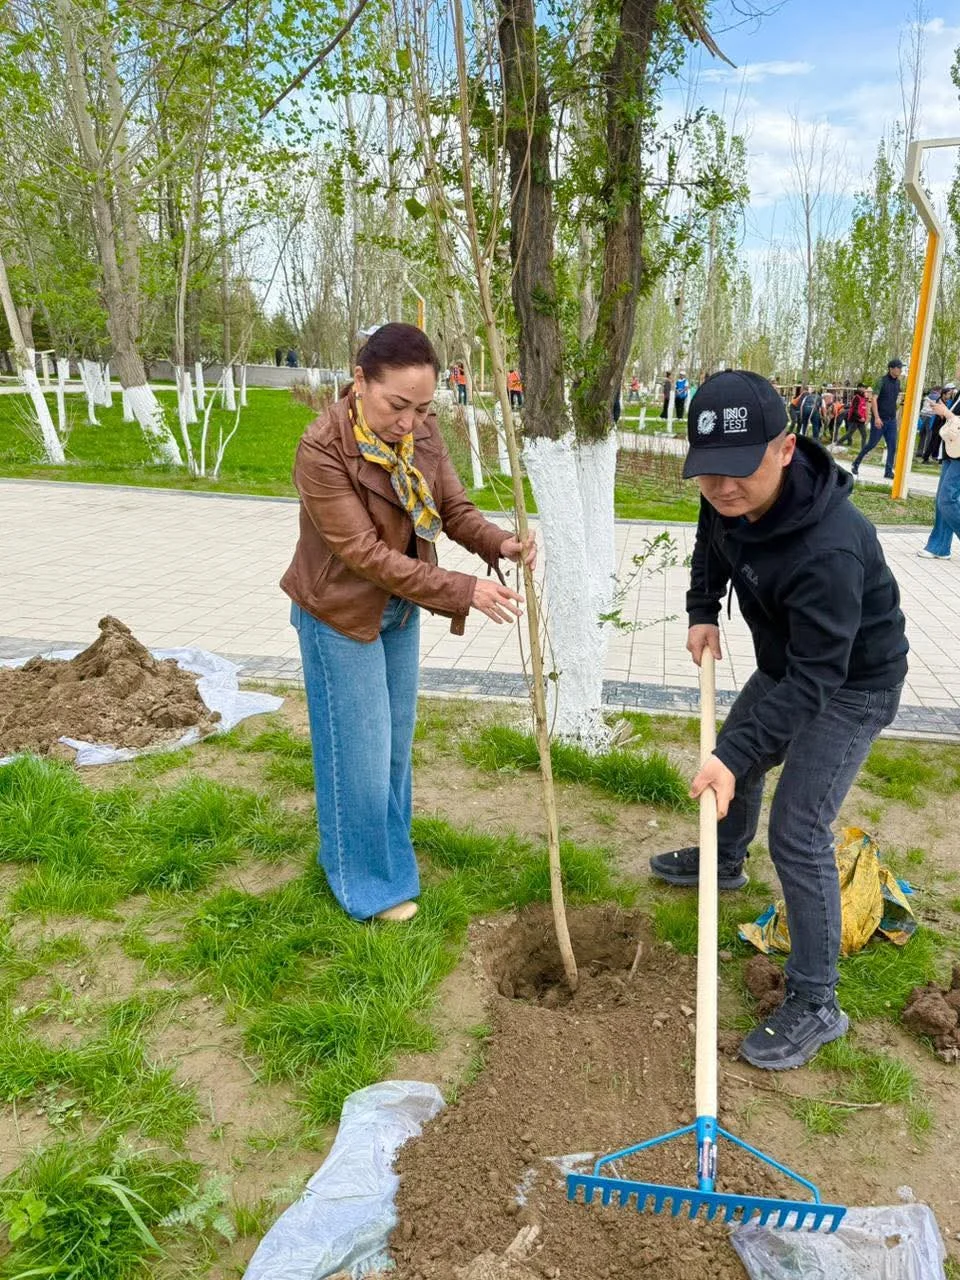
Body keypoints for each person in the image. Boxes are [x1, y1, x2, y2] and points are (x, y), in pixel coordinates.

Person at [650, 370, 908, 1070]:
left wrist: (735, 756)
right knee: (736, 746)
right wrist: (703, 609)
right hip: (789, 660)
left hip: (852, 683)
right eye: (707, 473)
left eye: (739, 471)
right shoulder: (724, 493)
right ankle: (725, 860)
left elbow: (819, 678)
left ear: (786, 449)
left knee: (796, 827)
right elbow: (711, 535)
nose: (722, 489)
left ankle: (818, 1001)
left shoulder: (831, 545)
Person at [281, 323, 535, 923]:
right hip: (339, 614)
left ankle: (381, 858)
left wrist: (498, 542)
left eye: (422, 408)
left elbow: (452, 508)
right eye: (398, 405)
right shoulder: (322, 449)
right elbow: (365, 555)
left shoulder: (422, 430)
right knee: (358, 757)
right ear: (360, 379)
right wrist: (464, 590)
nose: (409, 422)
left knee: (392, 751)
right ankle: (367, 887)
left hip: (398, 609)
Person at [918, 395, 960, 560]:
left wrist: (947, 413)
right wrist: (943, 412)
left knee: (947, 499)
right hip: (952, 450)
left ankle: (939, 546)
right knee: (942, 500)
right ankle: (939, 547)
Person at [852, 358, 903, 479]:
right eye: (898, 367)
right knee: (872, 444)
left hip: (891, 420)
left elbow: (893, 400)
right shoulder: (881, 381)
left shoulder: (898, 383)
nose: (900, 370)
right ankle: (856, 463)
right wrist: (877, 418)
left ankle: (888, 471)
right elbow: (874, 399)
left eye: (901, 368)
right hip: (880, 419)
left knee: (892, 446)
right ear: (891, 368)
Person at [839, 383, 869, 451]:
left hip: (861, 420)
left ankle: (863, 450)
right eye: (863, 387)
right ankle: (838, 443)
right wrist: (860, 417)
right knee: (849, 434)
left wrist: (864, 418)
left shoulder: (863, 397)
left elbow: (863, 409)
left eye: (865, 388)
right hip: (855, 419)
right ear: (859, 388)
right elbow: (854, 410)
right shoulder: (856, 397)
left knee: (864, 435)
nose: (864, 389)